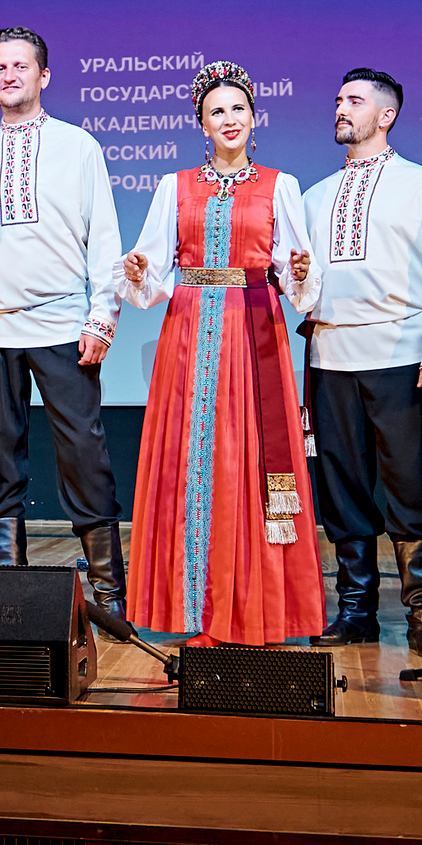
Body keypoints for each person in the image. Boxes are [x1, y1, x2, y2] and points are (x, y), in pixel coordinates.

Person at [118, 64, 325, 646]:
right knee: (193, 459)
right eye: (217, 112)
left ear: (254, 117)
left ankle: (258, 605)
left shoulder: (279, 185)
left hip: (253, 327)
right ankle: (192, 603)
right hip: (188, 332)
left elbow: (294, 269)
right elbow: (153, 272)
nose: (229, 120)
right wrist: (139, 272)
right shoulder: (173, 186)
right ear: (201, 125)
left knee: (252, 457)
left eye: (238, 109)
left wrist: (300, 273)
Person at [0, 27, 125, 612]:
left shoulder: (79, 146)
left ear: (43, 76)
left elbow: (103, 235)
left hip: (61, 323)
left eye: (20, 66)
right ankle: (9, 589)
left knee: (83, 452)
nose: (8, 75)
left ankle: (107, 591)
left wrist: (102, 315)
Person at [296, 70, 422, 658]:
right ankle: (356, 610)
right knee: (341, 488)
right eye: (339, 97)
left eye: (355, 100)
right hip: (332, 357)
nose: (340, 107)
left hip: (401, 353)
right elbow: (303, 283)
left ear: (386, 115)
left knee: (408, 487)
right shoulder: (314, 196)